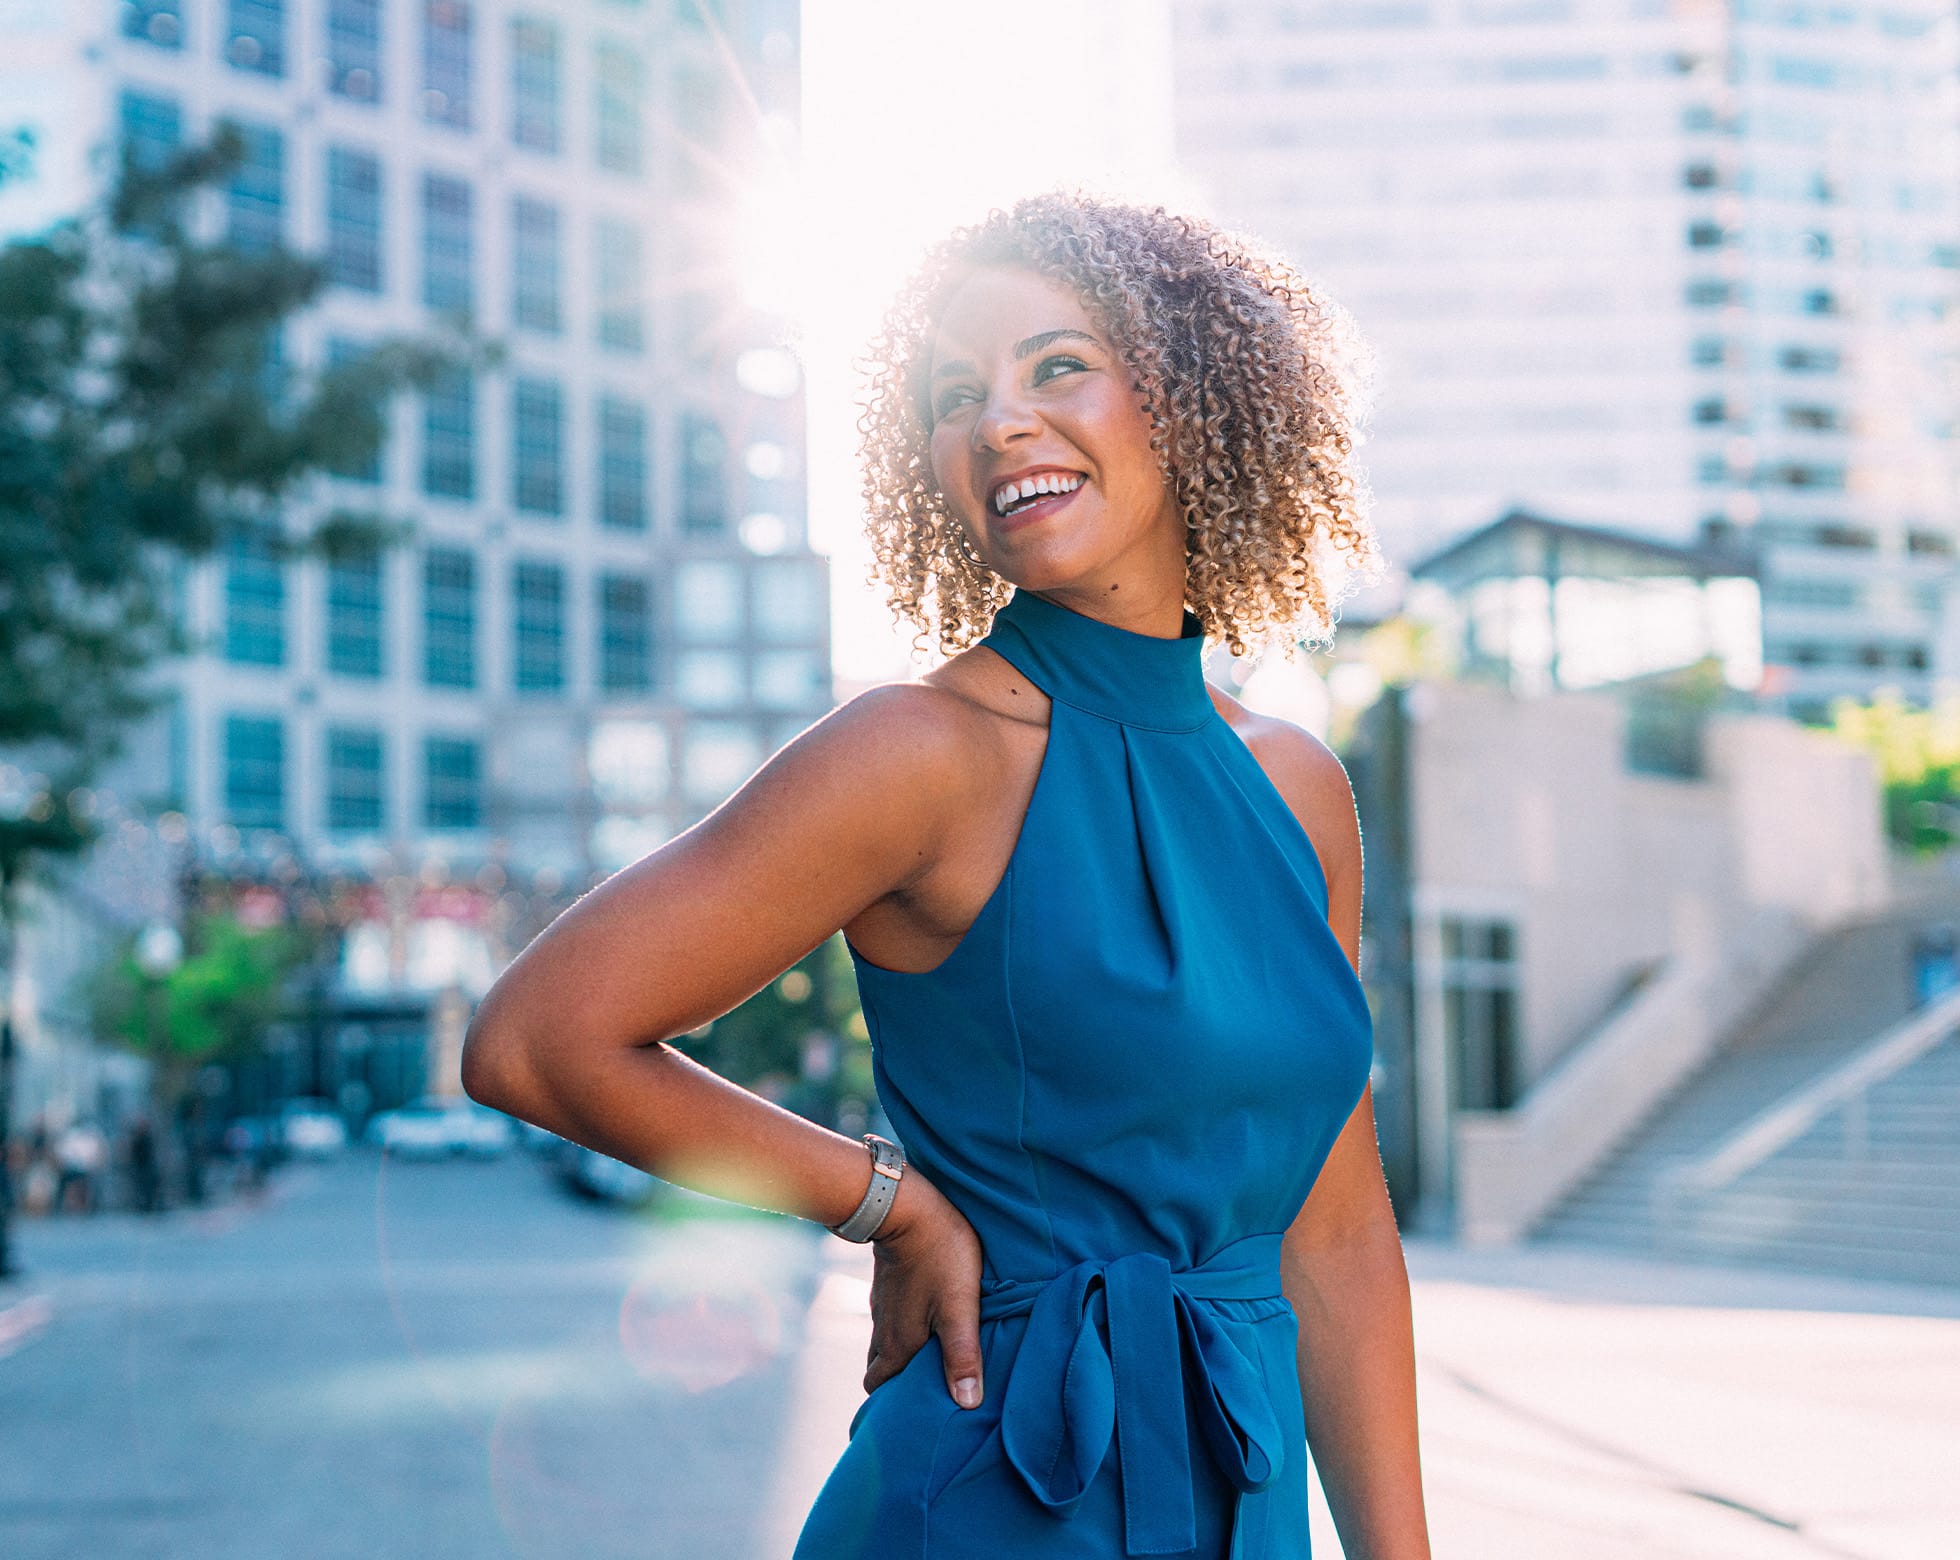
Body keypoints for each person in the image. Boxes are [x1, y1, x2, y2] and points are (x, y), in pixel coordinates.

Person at [463, 192, 1431, 1559]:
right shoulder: (916, 754)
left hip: (1240, 1498)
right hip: (992, 1495)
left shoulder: (1298, 789)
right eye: (953, 394)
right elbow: (534, 1040)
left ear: (1192, 395)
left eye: (1056, 367)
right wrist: (885, 1202)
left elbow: (1333, 1234)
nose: (998, 423)